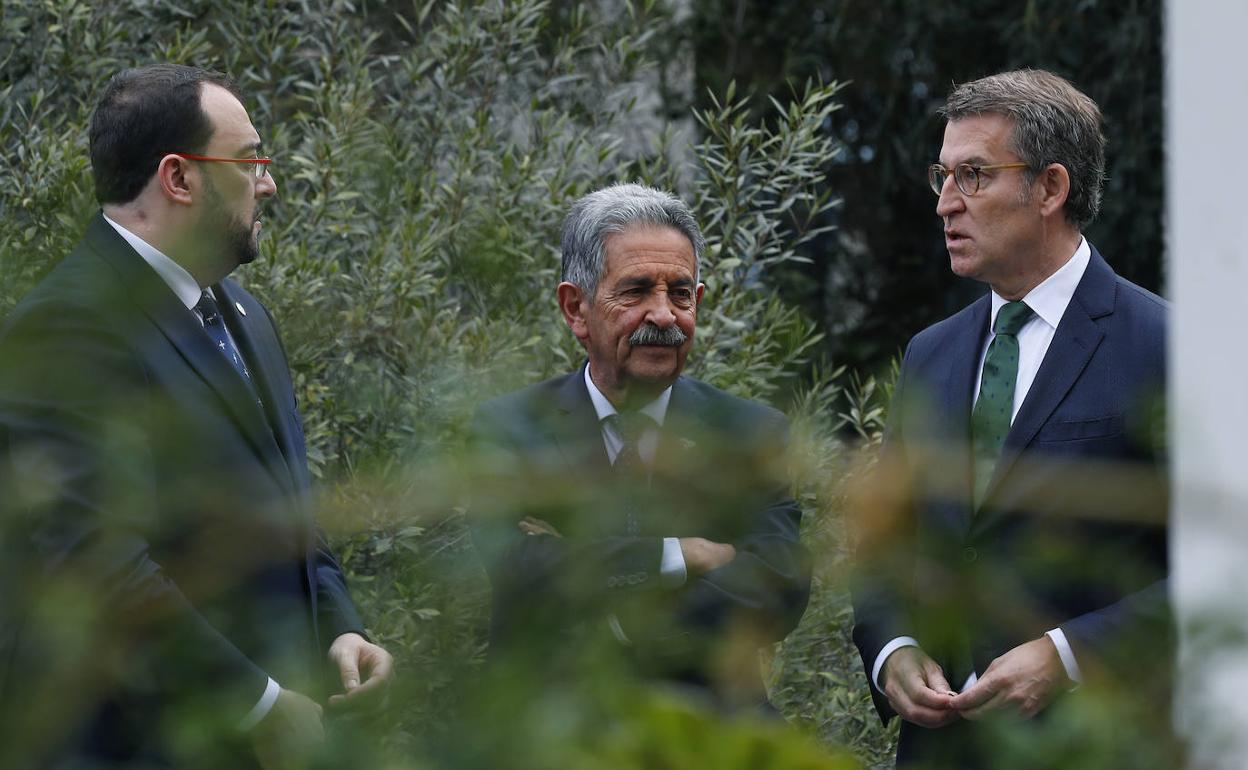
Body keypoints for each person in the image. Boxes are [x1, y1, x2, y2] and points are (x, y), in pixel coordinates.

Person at [0, 64, 392, 769]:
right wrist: (259, 705)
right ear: (179, 179)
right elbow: (96, 563)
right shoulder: (68, 325)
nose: (268, 182)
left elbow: (288, 506)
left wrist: (339, 628)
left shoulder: (245, 314)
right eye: (250, 162)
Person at [850, 69, 1171, 767]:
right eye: (943, 175)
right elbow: (884, 548)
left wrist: (1070, 655)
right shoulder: (930, 355)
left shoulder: (1169, 348)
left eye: (973, 175)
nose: (944, 204)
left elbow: (1224, 567)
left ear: (1050, 188)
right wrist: (893, 651)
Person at [468, 183, 811, 715]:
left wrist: (615, 608)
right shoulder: (511, 430)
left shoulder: (747, 433)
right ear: (575, 308)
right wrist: (684, 554)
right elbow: (521, 569)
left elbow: (781, 586)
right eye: (635, 291)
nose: (663, 315)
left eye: (679, 293)